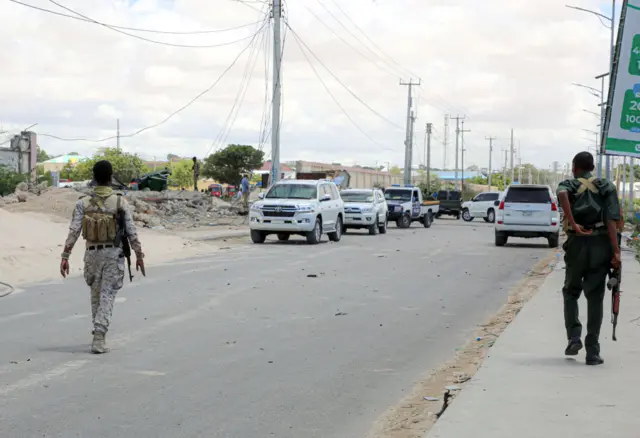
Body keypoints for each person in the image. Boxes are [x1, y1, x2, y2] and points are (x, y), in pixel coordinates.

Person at [60, 160, 145, 354]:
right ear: (110, 176)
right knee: (107, 295)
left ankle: (98, 332)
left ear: (94, 176)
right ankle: (99, 336)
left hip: (91, 255)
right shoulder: (119, 201)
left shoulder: (83, 203)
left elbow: (74, 231)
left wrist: (65, 255)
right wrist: (139, 255)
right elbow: (132, 232)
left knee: (96, 294)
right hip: (113, 255)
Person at [556, 151, 621, 366]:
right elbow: (612, 221)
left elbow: (562, 195)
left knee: (571, 292)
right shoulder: (607, 186)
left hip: (577, 243)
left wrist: (573, 223)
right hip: (601, 244)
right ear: (592, 167)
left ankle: (574, 336)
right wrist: (616, 252)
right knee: (595, 297)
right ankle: (592, 352)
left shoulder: (570, 184)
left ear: (575, 167)